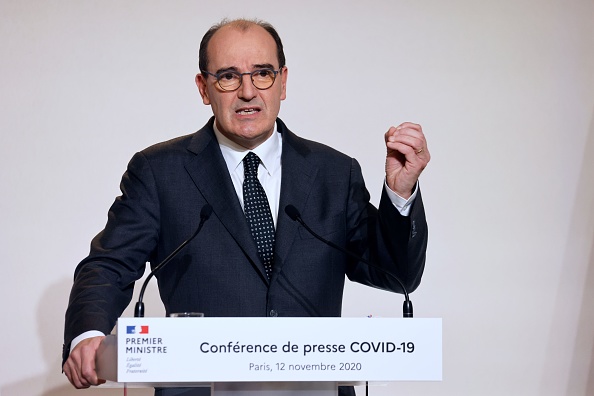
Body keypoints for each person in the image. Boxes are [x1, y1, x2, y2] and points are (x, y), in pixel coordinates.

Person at [63, 18, 430, 396]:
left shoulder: (334, 172)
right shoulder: (160, 172)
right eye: (227, 76)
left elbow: (394, 274)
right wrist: (87, 335)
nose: (248, 91)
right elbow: (109, 264)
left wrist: (400, 192)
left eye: (263, 74)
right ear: (204, 88)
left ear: (283, 81)